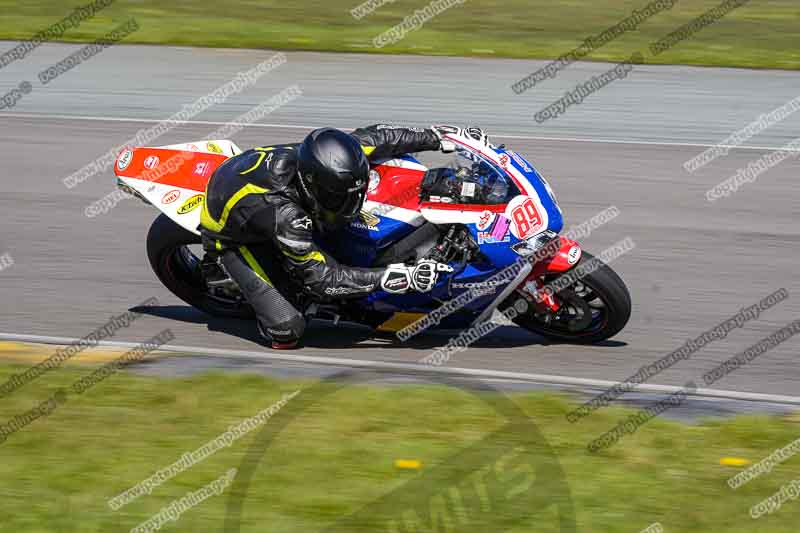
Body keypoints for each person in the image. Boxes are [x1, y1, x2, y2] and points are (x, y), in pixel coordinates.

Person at [199, 124, 487, 349]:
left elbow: (383, 136)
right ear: (316, 188)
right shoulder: (288, 218)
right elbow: (321, 279)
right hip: (233, 236)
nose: (355, 201)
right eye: (341, 196)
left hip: (251, 184)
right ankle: (231, 269)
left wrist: (441, 137)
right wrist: (393, 277)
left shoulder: (333, 160)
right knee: (287, 329)